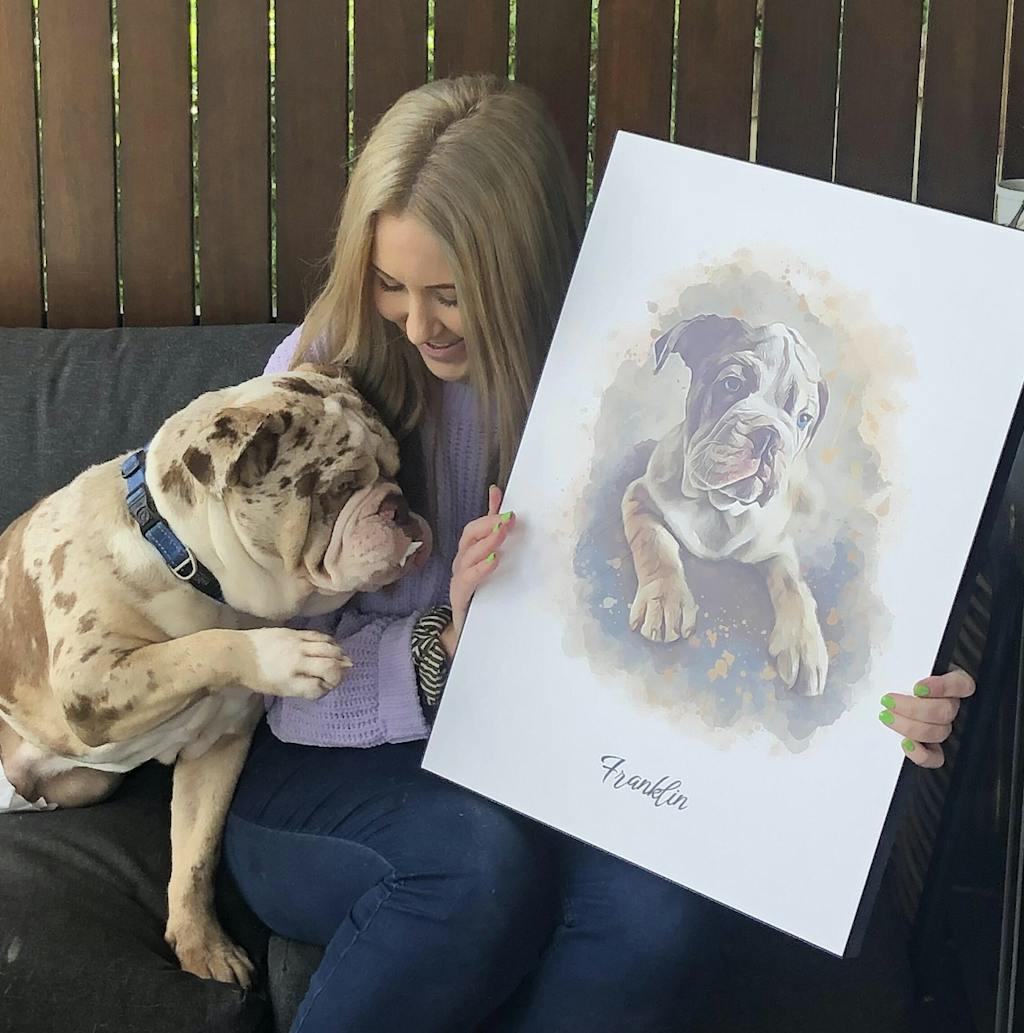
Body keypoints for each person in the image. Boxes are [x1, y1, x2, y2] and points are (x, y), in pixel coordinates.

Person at [223, 74, 975, 1032]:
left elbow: (738, 583)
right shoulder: (320, 368)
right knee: (477, 865)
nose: (416, 326)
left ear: (526, 269)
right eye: (390, 284)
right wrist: (445, 644)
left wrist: (886, 703)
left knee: (663, 915)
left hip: (544, 761)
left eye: (451, 294)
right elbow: (270, 672)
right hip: (326, 758)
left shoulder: (607, 368)